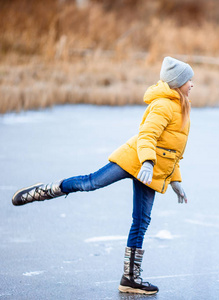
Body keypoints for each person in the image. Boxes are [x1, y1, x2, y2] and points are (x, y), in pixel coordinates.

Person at [11, 56, 194, 295]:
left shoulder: (182, 108)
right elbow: (147, 136)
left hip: (151, 172)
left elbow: (172, 152)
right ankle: (44, 191)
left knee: (141, 222)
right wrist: (147, 162)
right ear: (177, 82)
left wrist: (175, 181)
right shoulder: (163, 105)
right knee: (91, 182)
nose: (192, 84)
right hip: (134, 161)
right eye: (189, 79)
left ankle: (130, 279)